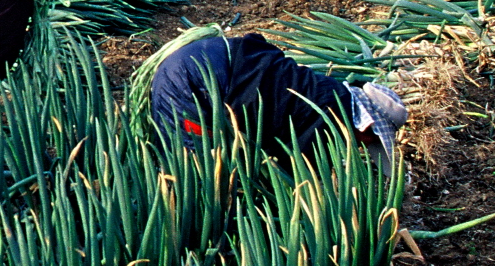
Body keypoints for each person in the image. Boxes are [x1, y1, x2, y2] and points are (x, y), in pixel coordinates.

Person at [149, 28, 407, 172]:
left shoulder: (330, 92)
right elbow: (297, 168)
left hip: (206, 56)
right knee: (192, 171)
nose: (363, 146)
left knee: (206, 163)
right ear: (367, 126)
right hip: (194, 80)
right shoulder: (328, 116)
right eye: (371, 140)